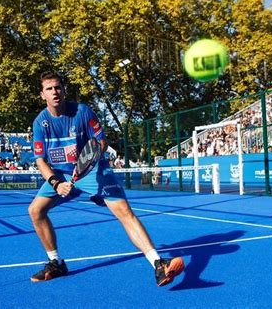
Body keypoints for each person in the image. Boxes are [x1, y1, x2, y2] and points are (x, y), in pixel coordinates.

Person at [28, 71, 184, 286]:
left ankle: (158, 264)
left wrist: (90, 163)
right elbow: (40, 161)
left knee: (124, 212)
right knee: (35, 211)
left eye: (58, 87)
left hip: (93, 171)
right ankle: (56, 263)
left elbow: (100, 142)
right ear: (42, 94)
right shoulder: (40, 123)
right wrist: (56, 183)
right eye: (49, 89)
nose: (55, 92)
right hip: (61, 175)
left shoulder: (82, 111)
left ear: (64, 90)